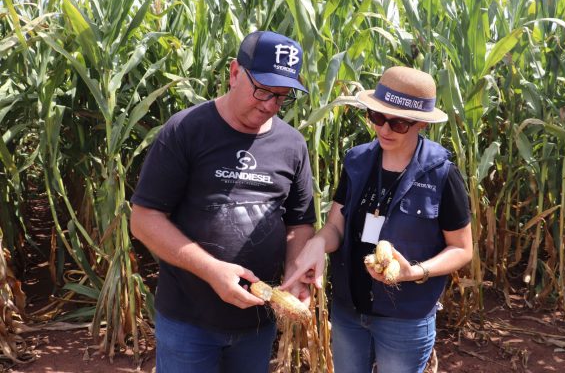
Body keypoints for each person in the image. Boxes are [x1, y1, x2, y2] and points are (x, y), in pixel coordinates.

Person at [130, 31, 316, 373]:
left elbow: (299, 223)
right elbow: (144, 220)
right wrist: (212, 271)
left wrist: (294, 274)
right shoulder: (186, 129)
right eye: (262, 90)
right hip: (189, 321)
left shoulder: (292, 145)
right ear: (234, 73)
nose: (269, 105)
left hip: (257, 324)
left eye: (281, 97)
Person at [282, 66, 473, 373]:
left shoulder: (442, 175)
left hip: (405, 318)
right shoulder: (357, 161)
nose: (384, 129)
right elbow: (336, 226)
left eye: (398, 123)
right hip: (348, 310)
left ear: (421, 123)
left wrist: (414, 272)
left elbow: (462, 249)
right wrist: (318, 243)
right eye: (377, 117)